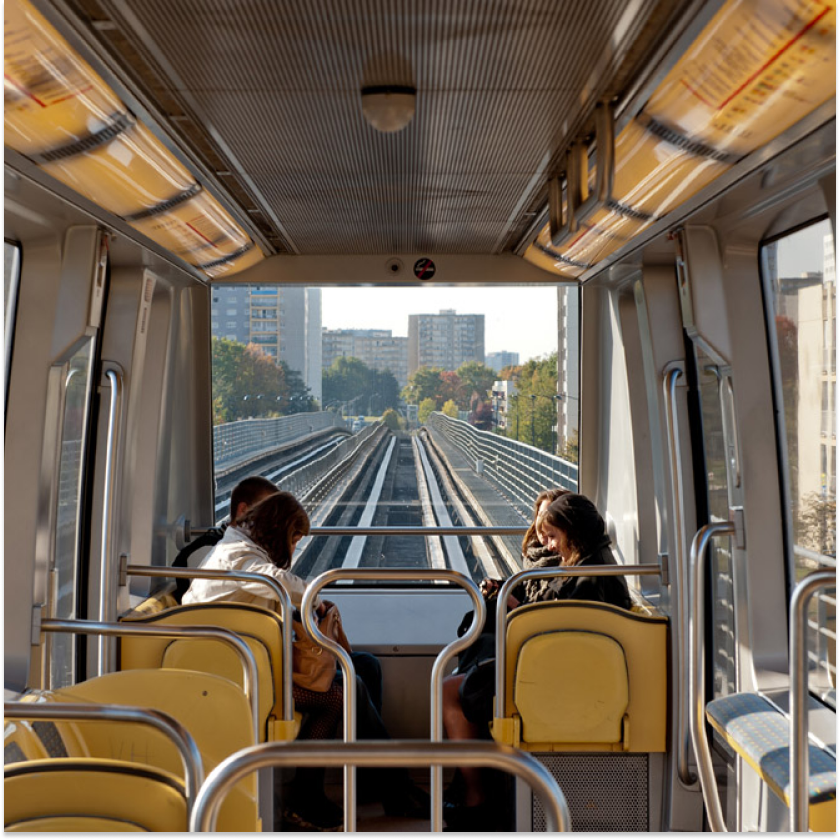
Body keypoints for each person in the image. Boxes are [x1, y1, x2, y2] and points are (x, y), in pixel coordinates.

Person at [181, 488, 426, 829]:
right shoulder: (237, 553)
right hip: (233, 675)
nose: (294, 548)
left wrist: (302, 609)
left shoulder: (242, 547)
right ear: (279, 529)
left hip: (252, 663)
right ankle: (320, 793)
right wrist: (314, 597)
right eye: (294, 538)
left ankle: (374, 780)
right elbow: (273, 581)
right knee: (343, 691)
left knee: (364, 665)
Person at [442, 492, 631, 830]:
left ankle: (476, 797)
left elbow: (557, 632)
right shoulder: (591, 563)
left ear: (573, 533)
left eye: (555, 537)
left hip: (557, 680)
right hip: (558, 669)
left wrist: (514, 608)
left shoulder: (589, 577)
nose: (551, 547)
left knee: (450, 692)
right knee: (461, 680)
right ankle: (478, 790)